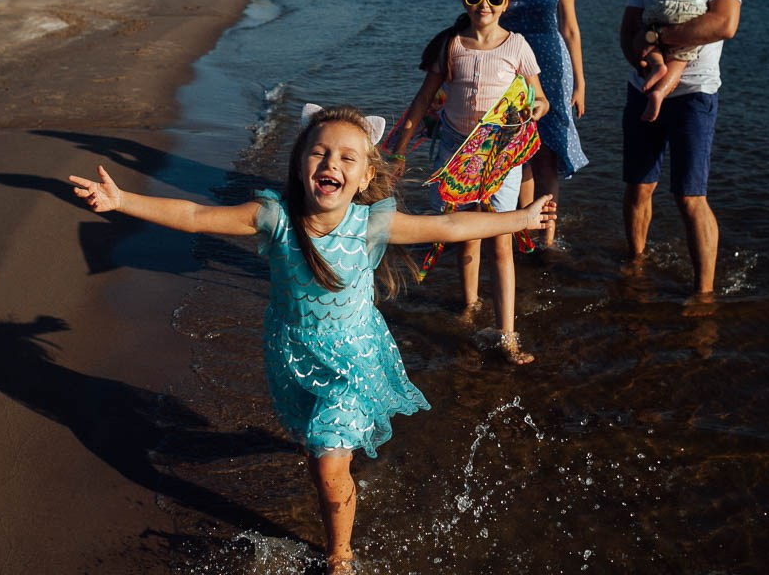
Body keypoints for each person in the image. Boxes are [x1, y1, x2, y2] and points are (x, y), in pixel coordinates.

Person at [70, 104, 555, 574]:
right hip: (291, 350)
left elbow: (449, 224)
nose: (332, 164)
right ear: (301, 163)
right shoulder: (274, 217)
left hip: (354, 355)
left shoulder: (369, 224)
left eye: (348, 157)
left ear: (365, 177)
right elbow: (196, 216)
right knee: (315, 444)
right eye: (320, 153)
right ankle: (324, 467)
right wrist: (122, 201)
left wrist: (522, 218)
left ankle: (339, 555)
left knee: (327, 464)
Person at [389, 0, 549, 364]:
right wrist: (399, 149)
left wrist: (534, 110)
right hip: (456, 154)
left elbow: (540, 97)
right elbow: (423, 101)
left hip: (500, 155)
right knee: (463, 237)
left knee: (501, 241)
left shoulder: (517, 46)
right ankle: (469, 306)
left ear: (506, 1)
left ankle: (508, 334)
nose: (484, 5)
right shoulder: (452, 45)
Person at [619, 0, 743, 300]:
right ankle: (634, 267)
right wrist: (646, 48)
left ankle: (703, 294)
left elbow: (724, 24)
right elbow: (627, 33)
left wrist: (659, 37)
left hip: (696, 93)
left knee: (690, 197)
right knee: (638, 187)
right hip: (641, 88)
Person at [503, 0, 588, 247]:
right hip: (510, 67)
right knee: (518, 154)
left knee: (547, 155)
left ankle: (547, 239)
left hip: (553, 67)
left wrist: (581, 83)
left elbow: (570, 30)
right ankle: (524, 231)